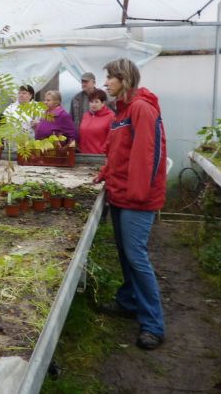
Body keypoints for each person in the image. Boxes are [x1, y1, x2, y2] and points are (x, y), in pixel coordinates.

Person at [95, 58, 167, 350]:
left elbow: (148, 156)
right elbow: (120, 153)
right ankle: (128, 302)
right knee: (125, 254)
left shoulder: (141, 109)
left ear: (124, 79)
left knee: (137, 257)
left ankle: (154, 325)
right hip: (121, 193)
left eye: (110, 78)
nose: (106, 83)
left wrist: (138, 195)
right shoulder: (122, 111)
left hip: (136, 198)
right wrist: (104, 173)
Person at [78, 88, 115, 154]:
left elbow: (111, 138)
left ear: (103, 103)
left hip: (99, 157)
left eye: (96, 102)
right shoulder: (86, 116)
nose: (93, 104)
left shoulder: (110, 116)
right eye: (91, 102)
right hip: (83, 156)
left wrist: (102, 151)